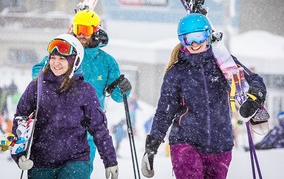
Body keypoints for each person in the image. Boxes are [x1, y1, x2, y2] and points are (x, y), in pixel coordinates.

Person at [141, 13, 267, 179]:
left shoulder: (223, 62)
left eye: (199, 37)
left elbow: (254, 81)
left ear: (208, 35)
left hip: (220, 144)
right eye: (187, 39)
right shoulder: (176, 72)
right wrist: (152, 144)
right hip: (185, 142)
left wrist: (255, 98)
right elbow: (165, 110)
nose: (194, 44)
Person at [32, 9, 131, 176]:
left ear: (96, 31)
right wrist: (49, 78)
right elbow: (37, 72)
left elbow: (117, 96)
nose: (81, 34)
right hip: (54, 128)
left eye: (86, 30)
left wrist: (123, 89)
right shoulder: (63, 52)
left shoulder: (107, 62)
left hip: (85, 135)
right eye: (78, 29)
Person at [11, 34, 118, 179]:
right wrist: (19, 154)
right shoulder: (36, 87)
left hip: (75, 161)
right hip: (41, 161)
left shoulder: (85, 90)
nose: (56, 63)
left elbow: (99, 127)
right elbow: (21, 119)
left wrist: (110, 160)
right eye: (53, 58)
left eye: (62, 58)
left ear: (74, 61)